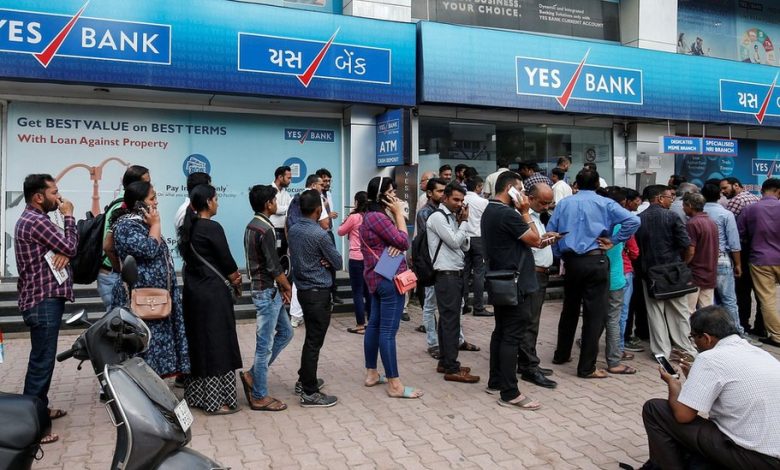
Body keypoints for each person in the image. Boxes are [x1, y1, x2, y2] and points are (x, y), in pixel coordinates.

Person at [641, 306, 780, 470]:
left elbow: (683, 416)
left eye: (693, 337)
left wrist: (674, 385)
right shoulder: (760, 353)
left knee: (655, 409)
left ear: (706, 338)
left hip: (751, 458)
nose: (694, 344)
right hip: (773, 455)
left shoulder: (709, 358)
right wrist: (695, 378)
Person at [547, 168, 639, 378]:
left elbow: (551, 231)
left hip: (572, 261)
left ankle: (561, 354)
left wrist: (560, 253)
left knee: (569, 309)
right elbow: (634, 221)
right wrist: (614, 241)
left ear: (575, 185)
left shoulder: (564, 203)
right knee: (594, 314)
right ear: (598, 185)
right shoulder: (605, 203)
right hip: (595, 259)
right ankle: (586, 367)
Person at [15, 174, 78, 444]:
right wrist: (69, 217)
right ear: (38, 196)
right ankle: (31, 428)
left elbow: (63, 249)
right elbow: (71, 245)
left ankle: (40, 410)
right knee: (41, 363)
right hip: (42, 301)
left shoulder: (34, 220)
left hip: (41, 300)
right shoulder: (36, 221)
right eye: (54, 192)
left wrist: (63, 250)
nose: (59, 197)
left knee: (42, 359)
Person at [109, 181, 190, 378]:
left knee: (156, 346)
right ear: (139, 204)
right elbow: (149, 249)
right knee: (144, 345)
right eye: (152, 198)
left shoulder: (140, 224)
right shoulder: (126, 226)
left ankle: (156, 387)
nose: (156, 202)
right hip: (142, 300)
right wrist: (155, 225)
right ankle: (144, 391)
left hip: (156, 299)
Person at [178, 184, 242, 415]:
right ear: (207, 202)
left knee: (199, 341)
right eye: (216, 199)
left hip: (194, 292)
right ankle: (217, 401)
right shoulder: (212, 227)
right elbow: (226, 260)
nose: (218, 203)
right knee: (218, 343)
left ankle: (197, 396)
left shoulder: (189, 227)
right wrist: (236, 279)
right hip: (213, 294)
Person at [482, 172, 544, 409]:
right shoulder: (509, 213)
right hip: (514, 283)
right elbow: (535, 240)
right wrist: (526, 212)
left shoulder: (490, 210)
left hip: (502, 280)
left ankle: (496, 380)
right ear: (510, 189)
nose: (524, 195)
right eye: (521, 189)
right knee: (511, 336)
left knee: (501, 332)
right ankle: (510, 392)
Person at [360, 176, 423, 399]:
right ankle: (394, 385)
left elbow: (397, 241)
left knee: (375, 326)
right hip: (388, 280)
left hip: (377, 278)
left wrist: (395, 240)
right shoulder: (378, 217)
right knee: (387, 331)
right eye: (392, 192)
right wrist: (398, 214)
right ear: (384, 195)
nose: (395, 196)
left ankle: (372, 373)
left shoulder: (370, 216)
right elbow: (404, 242)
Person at [240, 185, 294, 412]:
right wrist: (287, 286)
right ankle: (259, 395)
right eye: (274, 200)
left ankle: (253, 375)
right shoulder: (266, 229)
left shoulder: (252, 226)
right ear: (267, 204)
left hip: (266, 290)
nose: (276, 204)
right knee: (264, 346)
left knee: (287, 332)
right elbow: (273, 266)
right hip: (267, 291)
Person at [288, 189, 343, 407]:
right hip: (318, 292)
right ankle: (309, 392)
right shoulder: (319, 234)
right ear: (319, 210)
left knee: (311, 339)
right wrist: (327, 260)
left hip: (302, 290)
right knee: (313, 342)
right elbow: (338, 262)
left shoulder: (293, 230)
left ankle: (305, 380)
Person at [635, 185, 697, 362]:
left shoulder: (639, 219)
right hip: (673, 271)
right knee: (680, 312)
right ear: (659, 198)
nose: (672, 200)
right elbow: (687, 245)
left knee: (655, 313)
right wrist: (683, 264)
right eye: (670, 197)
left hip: (650, 274)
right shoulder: (672, 216)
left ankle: (661, 351)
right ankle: (685, 348)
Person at [427, 182, 479, 383]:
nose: (459, 204)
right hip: (446, 275)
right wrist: (464, 222)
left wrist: (461, 225)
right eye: (455, 199)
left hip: (454, 274)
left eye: (461, 200)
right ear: (445, 198)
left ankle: (445, 362)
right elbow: (456, 242)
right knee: (450, 322)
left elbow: (464, 246)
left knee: (447, 321)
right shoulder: (438, 218)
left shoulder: (451, 218)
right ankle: (451, 367)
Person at [517, 183, 557, 389]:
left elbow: (537, 241)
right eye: (543, 202)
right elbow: (532, 242)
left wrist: (548, 239)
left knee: (533, 320)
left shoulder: (536, 217)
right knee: (529, 322)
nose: (546, 206)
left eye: (549, 203)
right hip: (532, 274)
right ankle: (528, 366)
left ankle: (529, 361)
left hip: (540, 273)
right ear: (530, 198)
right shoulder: (524, 216)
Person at [702, 180, 751, 341]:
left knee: (707, 300)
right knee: (729, 299)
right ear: (719, 195)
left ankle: (710, 333)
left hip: (702, 261)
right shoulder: (726, 214)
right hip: (722, 260)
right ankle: (737, 334)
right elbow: (734, 243)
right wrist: (738, 265)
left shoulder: (698, 212)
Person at [98, 165, 150, 312]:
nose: (149, 186)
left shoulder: (128, 205)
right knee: (118, 321)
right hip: (112, 273)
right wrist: (120, 270)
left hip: (117, 273)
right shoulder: (122, 206)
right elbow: (108, 246)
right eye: (145, 182)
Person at [737, 178, 780, 347]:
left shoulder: (750, 209)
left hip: (760, 260)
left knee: (767, 299)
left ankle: (777, 336)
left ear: (763, 190)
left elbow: (739, 236)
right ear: (778, 191)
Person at [286, 174, 330, 328]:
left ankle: (295, 316)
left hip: (295, 241)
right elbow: (325, 224)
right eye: (320, 184)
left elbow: (287, 223)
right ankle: (310, 314)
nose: (322, 187)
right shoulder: (317, 199)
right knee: (312, 277)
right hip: (313, 242)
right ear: (313, 185)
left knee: (297, 280)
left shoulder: (295, 198)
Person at [602, 187, 637, 375]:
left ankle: (589, 358)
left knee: (595, 319)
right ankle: (614, 360)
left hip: (598, 276)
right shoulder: (622, 224)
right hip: (616, 276)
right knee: (614, 320)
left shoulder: (598, 222)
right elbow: (633, 250)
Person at [721, 177, 762, 334]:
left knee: (742, 291)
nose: (723, 192)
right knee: (759, 293)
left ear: (736, 185)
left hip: (742, 251)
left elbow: (730, 229)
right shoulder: (754, 197)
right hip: (757, 250)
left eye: (725, 188)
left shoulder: (736, 201)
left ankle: (743, 324)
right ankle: (760, 327)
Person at [338, 191, 372, 334]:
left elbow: (340, 231)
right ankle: (371, 322)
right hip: (370, 259)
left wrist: (346, 220)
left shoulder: (354, 217)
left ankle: (360, 324)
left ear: (357, 202)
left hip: (356, 258)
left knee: (357, 292)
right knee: (369, 291)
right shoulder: (371, 217)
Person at [682, 193, 718, 313]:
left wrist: (684, 263)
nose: (683, 208)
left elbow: (691, 250)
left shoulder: (692, 223)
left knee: (689, 309)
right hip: (709, 271)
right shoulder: (711, 222)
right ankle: (708, 331)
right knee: (707, 310)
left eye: (684, 205)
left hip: (695, 273)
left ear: (690, 205)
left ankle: (689, 332)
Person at [462, 176, 490, 316]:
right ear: (478, 187)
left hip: (464, 237)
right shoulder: (483, 202)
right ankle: (478, 307)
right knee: (479, 273)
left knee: (465, 273)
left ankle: (464, 304)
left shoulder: (462, 200)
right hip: (479, 238)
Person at [316, 168, 342, 305]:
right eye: (324, 181)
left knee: (332, 262)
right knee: (321, 263)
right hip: (318, 233)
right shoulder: (315, 196)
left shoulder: (328, 195)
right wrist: (327, 214)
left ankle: (334, 292)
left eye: (329, 181)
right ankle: (326, 294)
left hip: (329, 232)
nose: (327, 183)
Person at [270, 165, 293, 265]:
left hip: (285, 231)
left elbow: (291, 208)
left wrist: (283, 208)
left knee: (283, 259)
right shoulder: (269, 190)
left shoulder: (285, 193)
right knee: (274, 258)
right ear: (280, 177)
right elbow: (275, 209)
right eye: (288, 178)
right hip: (273, 230)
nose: (290, 181)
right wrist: (286, 208)